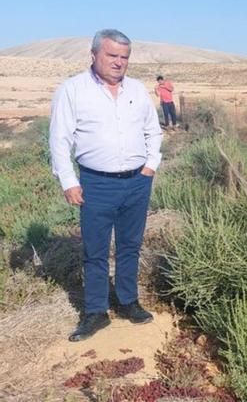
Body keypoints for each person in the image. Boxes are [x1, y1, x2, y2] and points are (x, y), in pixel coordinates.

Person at [49, 29, 163, 342]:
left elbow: (153, 131)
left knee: (130, 245)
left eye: (124, 57)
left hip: (137, 182)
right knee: (95, 250)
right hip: (96, 184)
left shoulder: (137, 90)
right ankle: (96, 312)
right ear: (94, 54)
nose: (118, 62)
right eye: (112, 55)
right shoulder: (73, 90)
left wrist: (151, 165)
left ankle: (128, 302)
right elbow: (59, 140)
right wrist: (69, 181)